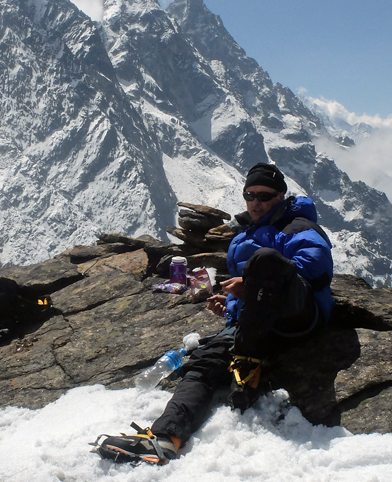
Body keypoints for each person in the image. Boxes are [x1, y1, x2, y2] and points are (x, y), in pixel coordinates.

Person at [95, 162, 335, 465]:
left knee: (265, 260)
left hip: (298, 315)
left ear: (281, 196)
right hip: (258, 323)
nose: (256, 202)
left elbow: (316, 270)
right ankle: (166, 439)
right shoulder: (249, 230)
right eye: (250, 195)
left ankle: (247, 363)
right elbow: (251, 296)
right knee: (204, 362)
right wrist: (232, 303)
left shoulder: (299, 228)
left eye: (265, 195)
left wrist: (250, 284)